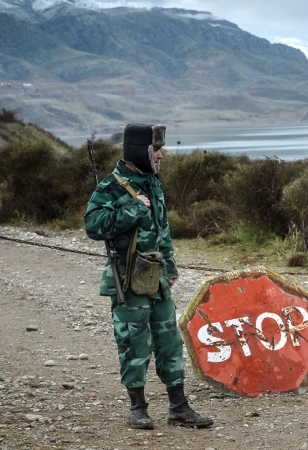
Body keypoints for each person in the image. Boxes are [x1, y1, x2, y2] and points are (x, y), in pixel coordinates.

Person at [85, 123, 213, 429]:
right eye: (156, 149)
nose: (160, 155)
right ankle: (138, 408)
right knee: (135, 343)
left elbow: (162, 229)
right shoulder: (111, 186)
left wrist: (171, 268)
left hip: (157, 277)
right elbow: (93, 225)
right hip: (129, 279)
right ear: (139, 152)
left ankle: (179, 408)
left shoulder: (153, 183)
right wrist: (132, 208)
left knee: (170, 341)